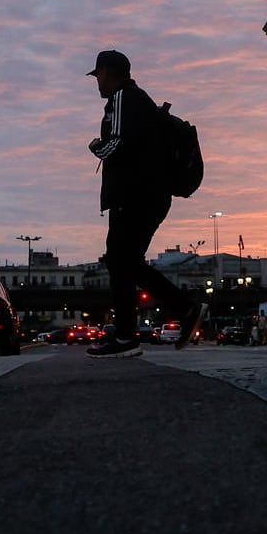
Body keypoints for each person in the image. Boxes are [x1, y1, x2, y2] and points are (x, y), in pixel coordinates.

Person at [83, 48, 196, 358]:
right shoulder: (138, 100)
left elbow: (119, 143)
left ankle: (135, 332)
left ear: (109, 72)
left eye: (99, 75)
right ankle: (130, 333)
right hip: (149, 195)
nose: (97, 82)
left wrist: (97, 148)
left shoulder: (123, 98)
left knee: (121, 261)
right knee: (124, 262)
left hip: (135, 196)